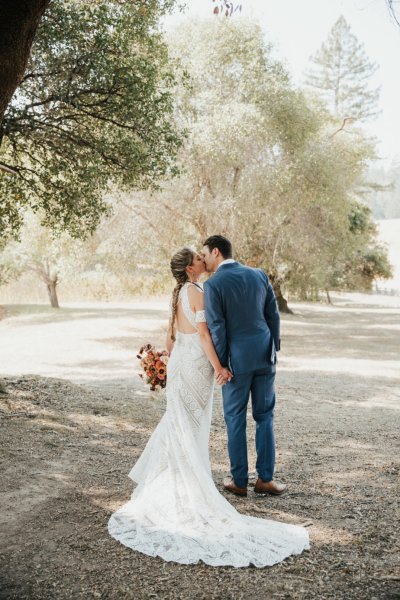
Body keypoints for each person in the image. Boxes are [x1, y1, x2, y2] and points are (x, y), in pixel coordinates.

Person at [108, 247, 309, 567]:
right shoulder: (199, 291)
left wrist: (165, 362)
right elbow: (203, 334)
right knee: (190, 427)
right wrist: (218, 366)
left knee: (179, 426)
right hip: (198, 367)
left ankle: (183, 483)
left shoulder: (179, 294)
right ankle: (191, 490)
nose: (204, 260)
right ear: (190, 268)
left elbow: (172, 337)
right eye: (198, 259)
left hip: (181, 367)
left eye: (204, 255)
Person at [202, 235, 284, 497]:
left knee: (235, 419)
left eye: (205, 254)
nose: (204, 259)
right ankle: (266, 479)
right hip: (264, 355)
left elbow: (217, 327)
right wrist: (273, 347)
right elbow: (273, 314)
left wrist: (222, 365)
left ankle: (239, 481)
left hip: (236, 362)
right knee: (265, 417)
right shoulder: (258, 274)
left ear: (216, 252)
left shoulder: (213, 284)